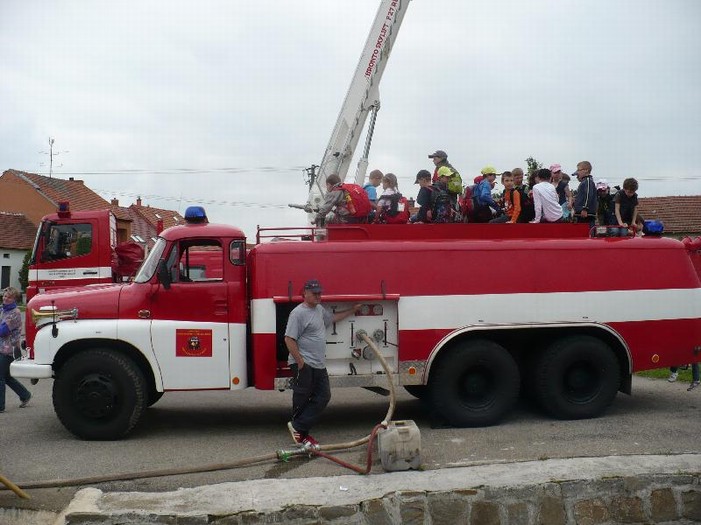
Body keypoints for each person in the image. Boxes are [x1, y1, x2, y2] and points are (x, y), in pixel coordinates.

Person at [285, 280, 360, 447]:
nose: (319, 296)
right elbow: (289, 339)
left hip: (318, 364)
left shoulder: (319, 310)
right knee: (302, 398)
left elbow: (333, 318)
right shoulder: (298, 314)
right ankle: (302, 435)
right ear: (305, 293)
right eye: (315, 293)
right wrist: (300, 362)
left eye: (320, 293)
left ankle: (298, 427)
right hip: (304, 363)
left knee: (323, 396)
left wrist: (352, 310)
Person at [0, 287, 31, 413]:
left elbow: (3, 331)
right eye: (4, 296)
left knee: (0, 377)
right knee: (6, 377)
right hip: (2, 348)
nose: (5, 298)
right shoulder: (3, 310)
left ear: (14, 299)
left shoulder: (15, 313)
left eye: (8, 297)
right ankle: (25, 395)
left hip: (8, 349)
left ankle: (0, 406)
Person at [573, 161, 597, 227]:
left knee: (587, 232)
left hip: (586, 213)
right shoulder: (583, 182)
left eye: (579, 170)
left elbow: (588, 194)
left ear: (586, 170)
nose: (577, 172)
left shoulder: (588, 181)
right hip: (581, 213)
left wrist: (585, 208)